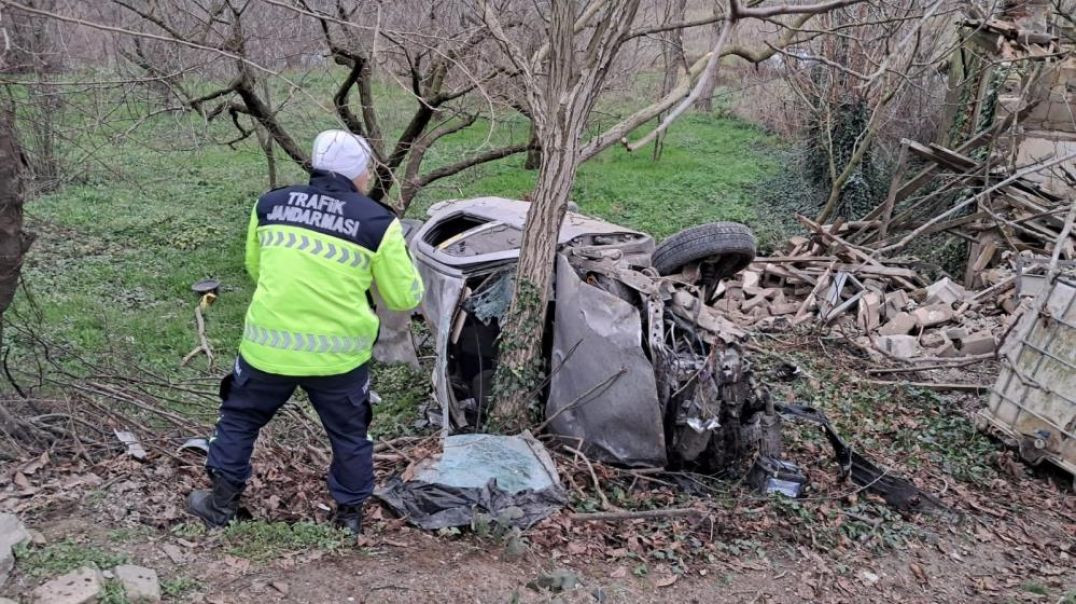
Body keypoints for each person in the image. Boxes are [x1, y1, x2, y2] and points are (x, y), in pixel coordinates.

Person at [187, 130, 424, 534]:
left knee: (239, 420)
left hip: (267, 349)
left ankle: (220, 505)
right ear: (359, 174)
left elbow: (255, 267)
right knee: (350, 434)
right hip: (338, 359)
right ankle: (348, 519)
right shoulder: (378, 222)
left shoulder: (270, 204)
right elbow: (404, 296)